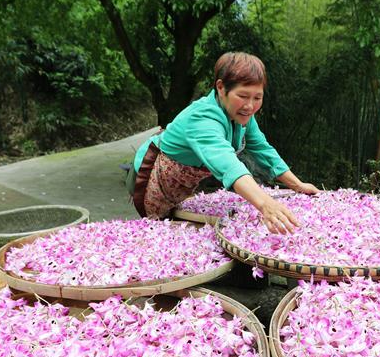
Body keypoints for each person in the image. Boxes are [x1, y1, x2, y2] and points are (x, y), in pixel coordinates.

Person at [131, 52, 318, 233]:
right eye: (243, 96)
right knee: (159, 228)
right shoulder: (203, 119)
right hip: (154, 178)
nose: (250, 106)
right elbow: (228, 164)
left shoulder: (242, 115)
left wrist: (297, 185)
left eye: (257, 98)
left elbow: (262, 149)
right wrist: (266, 204)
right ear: (221, 88)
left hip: (183, 185)